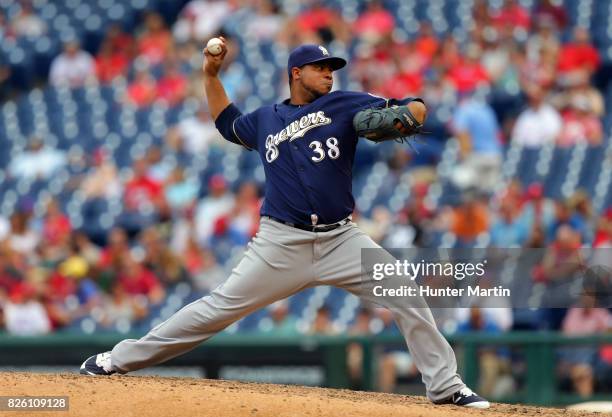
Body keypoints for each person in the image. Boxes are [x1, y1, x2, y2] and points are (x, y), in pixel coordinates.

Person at [80, 41, 489, 409]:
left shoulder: (346, 103)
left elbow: (412, 106)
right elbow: (226, 123)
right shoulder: (265, 119)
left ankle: (446, 387)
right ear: (296, 73)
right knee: (216, 309)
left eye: (332, 67)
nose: (329, 73)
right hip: (281, 243)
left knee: (404, 291)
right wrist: (210, 75)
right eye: (320, 67)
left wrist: (412, 113)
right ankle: (117, 359)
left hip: (341, 238)